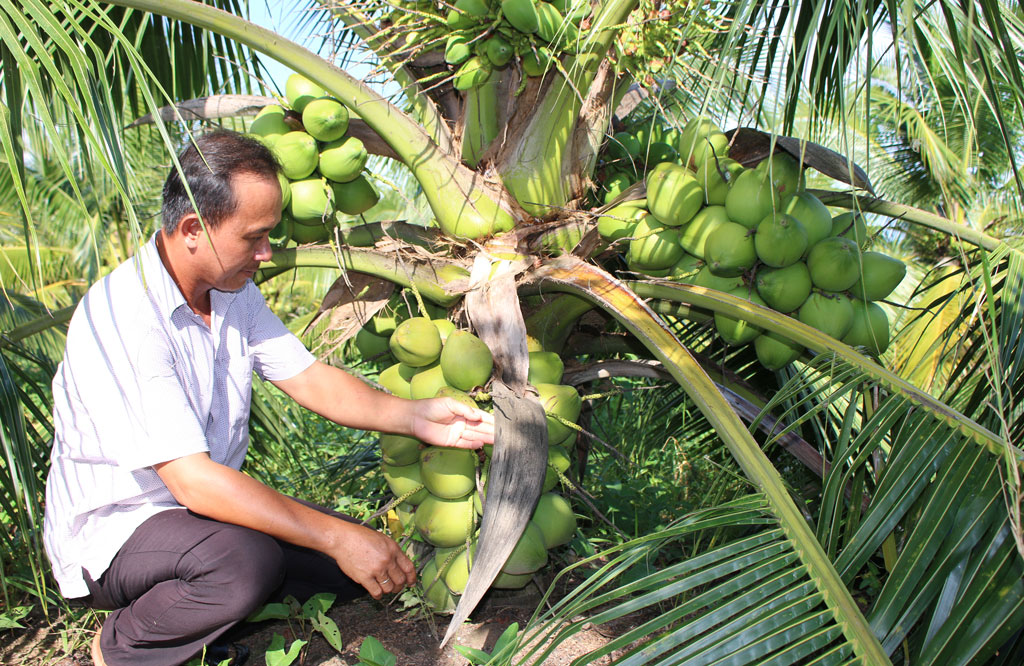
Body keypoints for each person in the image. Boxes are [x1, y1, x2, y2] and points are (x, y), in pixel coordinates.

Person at [42, 129, 494, 666]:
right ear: (192, 229)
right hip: (118, 530)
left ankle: (206, 610)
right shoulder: (127, 318)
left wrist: (418, 417)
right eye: (254, 237)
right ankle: (121, 646)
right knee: (247, 565)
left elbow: (309, 378)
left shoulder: (231, 290)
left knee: (348, 569)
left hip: (200, 516)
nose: (266, 252)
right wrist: (334, 536)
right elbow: (193, 482)